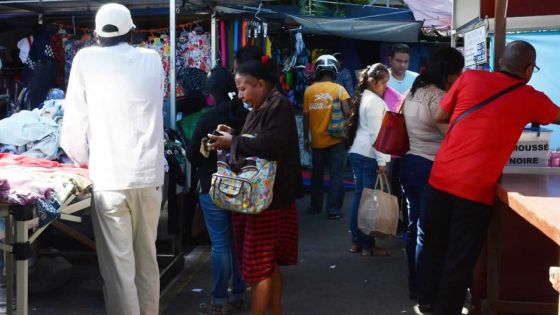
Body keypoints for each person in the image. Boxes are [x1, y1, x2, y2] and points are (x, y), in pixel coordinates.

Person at [420, 40, 560, 315]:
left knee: (434, 246)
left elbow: (439, 115)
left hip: (440, 178)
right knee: (458, 261)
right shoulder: (530, 98)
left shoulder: (469, 78)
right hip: (474, 192)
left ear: (501, 61)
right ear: (529, 69)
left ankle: (426, 301)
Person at [60, 3, 164, 314]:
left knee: (119, 268)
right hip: (149, 176)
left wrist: (86, 161)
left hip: (109, 178)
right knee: (147, 259)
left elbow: (73, 128)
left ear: (95, 34)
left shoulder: (85, 59)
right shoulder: (152, 59)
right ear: (132, 31)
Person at [208, 58, 302, 315]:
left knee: (259, 268)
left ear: (260, 84)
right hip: (264, 200)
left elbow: (272, 145)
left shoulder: (277, 105)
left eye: (243, 89)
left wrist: (233, 141)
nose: (240, 96)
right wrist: (233, 134)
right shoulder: (265, 105)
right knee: (267, 265)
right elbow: (259, 139)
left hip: (268, 202)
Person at [398, 47, 464, 302]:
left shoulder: (413, 90)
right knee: (428, 233)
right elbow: (452, 136)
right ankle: (426, 295)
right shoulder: (438, 98)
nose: (459, 77)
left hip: (411, 163)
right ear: (448, 73)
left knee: (414, 229)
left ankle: (415, 285)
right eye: (458, 72)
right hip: (430, 167)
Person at [187, 66, 248, 314]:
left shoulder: (207, 117)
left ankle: (220, 300)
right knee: (237, 243)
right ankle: (240, 294)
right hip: (242, 187)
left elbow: (192, 155)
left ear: (211, 91)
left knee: (220, 244)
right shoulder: (245, 115)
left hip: (212, 187)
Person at [347, 63, 391, 257]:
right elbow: (376, 134)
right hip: (368, 154)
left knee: (359, 198)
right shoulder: (373, 101)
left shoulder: (364, 96)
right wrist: (382, 161)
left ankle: (357, 241)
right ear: (373, 82)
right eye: (383, 83)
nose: (385, 88)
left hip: (358, 151)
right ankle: (367, 245)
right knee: (368, 200)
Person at [303, 54, 351, 220]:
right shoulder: (340, 90)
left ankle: (315, 207)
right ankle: (333, 210)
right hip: (337, 140)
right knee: (337, 175)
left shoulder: (309, 91)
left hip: (317, 142)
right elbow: (347, 114)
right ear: (334, 70)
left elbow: (306, 118)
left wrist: (306, 139)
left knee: (317, 175)